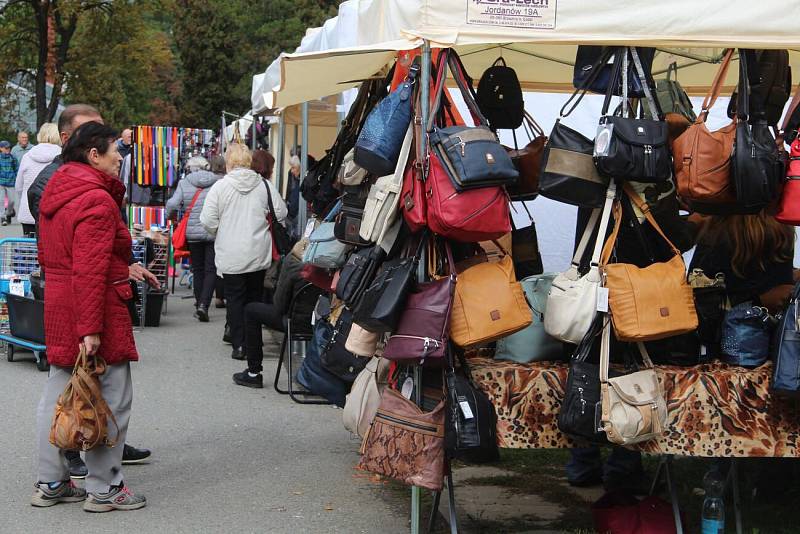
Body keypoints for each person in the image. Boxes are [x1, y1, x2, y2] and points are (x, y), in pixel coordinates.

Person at [26, 104, 154, 477]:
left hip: (61, 302)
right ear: (93, 154)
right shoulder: (96, 199)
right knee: (111, 398)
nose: (120, 157)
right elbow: (89, 269)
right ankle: (105, 486)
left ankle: (50, 481)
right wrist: (91, 328)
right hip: (93, 308)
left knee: (59, 393)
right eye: (116, 150)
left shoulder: (56, 190)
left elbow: (61, 257)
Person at [200, 143, 287, 361]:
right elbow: (281, 213)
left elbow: (207, 220)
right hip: (257, 253)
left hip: (231, 253)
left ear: (229, 162)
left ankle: (239, 345)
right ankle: (252, 343)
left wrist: (222, 230)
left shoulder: (220, 187)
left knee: (235, 299)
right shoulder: (264, 185)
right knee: (254, 299)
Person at [690, 211, 795, 313]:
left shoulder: (716, 231)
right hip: (738, 323)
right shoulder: (720, 235)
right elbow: (700, 302)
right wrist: (759, 301)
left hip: (757, 319)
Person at [233, 240, 305, 388]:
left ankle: (253, 372)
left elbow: (279, 305)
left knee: (251, 311)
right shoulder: (327, 268)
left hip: (293, 321)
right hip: (319, 324)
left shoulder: (293, 266)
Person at [166, 156, 219, 322]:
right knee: (211, 269)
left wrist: (169, 216)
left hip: (193, 233)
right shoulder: (217, 182)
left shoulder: (184, 183)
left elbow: (173, 204)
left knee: (198, 268)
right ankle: (204, 304)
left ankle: (199, 303)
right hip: (213, 230)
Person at [15, 123, 61, 235]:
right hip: (53, 213)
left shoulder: (27, 156)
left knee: (28, 250)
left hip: (28, 212)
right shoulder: (63, 156)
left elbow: (18, 186)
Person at [209, 155, 227, 311]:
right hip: (227, 232)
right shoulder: (226, 184)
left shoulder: (219, 186)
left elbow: (208, 218)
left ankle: (205, 299)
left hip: (212, 230)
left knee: (208, 267)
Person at [0, 140, 17, 225]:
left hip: (11, 182)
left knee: (12, 201)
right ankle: (3, 218)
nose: (8, 149)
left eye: (9, 148)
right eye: (6, 148)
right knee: (1, 201)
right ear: (1, 148)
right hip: (1, 183)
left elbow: (16, 168)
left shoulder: (13, 157)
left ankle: (9, 213)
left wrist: (17, 178)